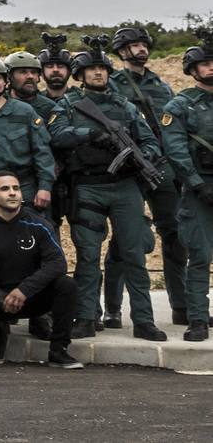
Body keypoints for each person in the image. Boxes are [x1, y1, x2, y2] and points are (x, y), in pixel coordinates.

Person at [49, 45, 169, 342]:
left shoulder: (125, 106)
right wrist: (89, 135)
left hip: (125, 187)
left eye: (102, 69)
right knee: (88, 257)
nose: (98, 73)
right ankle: (86, 317)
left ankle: (143, 320)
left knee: (133, 256)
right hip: (88, 186)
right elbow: (56, 135)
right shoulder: (68, 104)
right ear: (81, 74)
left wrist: (142, 156)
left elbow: (151, 142)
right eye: (92, 69)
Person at [106, 26, 185, 330]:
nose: (140, 49)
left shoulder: (161, 85)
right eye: (133, 46)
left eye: (143, 45)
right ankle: (112, 308)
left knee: (175, 236)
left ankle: (182, 306)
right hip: (128, 169)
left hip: (162, 166)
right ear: (122, 52)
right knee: (126, 240)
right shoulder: (113, 84)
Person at [0, 172, 83, 368]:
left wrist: (24, 290)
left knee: (66, 286)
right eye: (5, 189)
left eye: (16, 188)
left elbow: (57, 263)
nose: (12, 193)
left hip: (31, 297)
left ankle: (58, 350)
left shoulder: (39, 225)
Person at [160, 38, 213, 342]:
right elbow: (176, 150)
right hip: (199, 188)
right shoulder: (180, 105)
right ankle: (197, 319)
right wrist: (197, 184)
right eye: (205, 63)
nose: (211, 68)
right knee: (200, 256)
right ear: (193, 70)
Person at [0, 56, 56, 214]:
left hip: (24, 186)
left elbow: (42, 152)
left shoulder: (25, 112)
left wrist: (45, 187)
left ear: (6, 80)